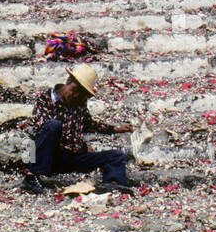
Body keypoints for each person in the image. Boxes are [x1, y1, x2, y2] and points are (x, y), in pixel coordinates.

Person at [23, 64, 135, 195]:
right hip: (50, 157)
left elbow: (89, 124)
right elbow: (42, 130)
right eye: (75, 90)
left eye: (82, 95)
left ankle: (112, 185)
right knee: (53, 125)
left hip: (73, 157)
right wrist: (79, 145)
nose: (77, 96)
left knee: (116, 155)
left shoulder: (79, 103)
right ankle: (31, 178)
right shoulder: (45, 99)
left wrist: (115, 129)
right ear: (68, 81)